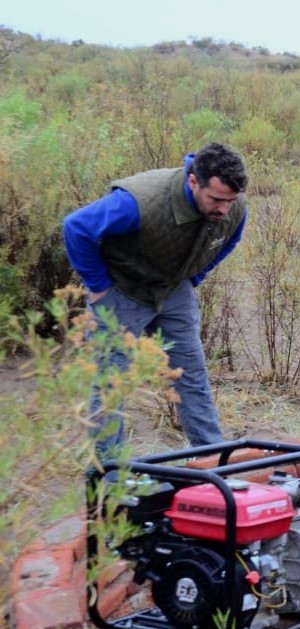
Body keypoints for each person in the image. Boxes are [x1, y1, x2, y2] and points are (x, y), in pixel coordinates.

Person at [64, 141, 248, 453]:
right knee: (111, 384)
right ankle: (110, 479)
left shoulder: (233, 209)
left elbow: (228, 241)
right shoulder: (139, 201)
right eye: (216, 199)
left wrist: (193, 278)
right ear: (193, 182)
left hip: (173, 291)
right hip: (122, 292)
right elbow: (76, 228)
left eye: (230, 200)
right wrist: (99, 287)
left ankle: (210, 461)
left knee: (192, 377)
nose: (224, 208)